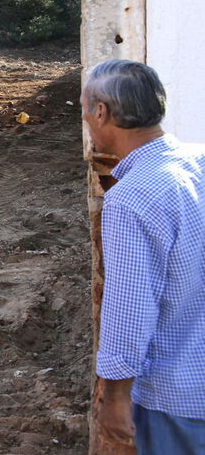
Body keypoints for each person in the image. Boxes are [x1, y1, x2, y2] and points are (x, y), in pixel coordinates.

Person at [82, 59, 205, 453]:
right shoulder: (199, 161)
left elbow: (131, 308)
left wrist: (115, 398)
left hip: (177, 399)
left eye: (85, 109)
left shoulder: (132, 197)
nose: (85, 119)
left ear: (101, 112)